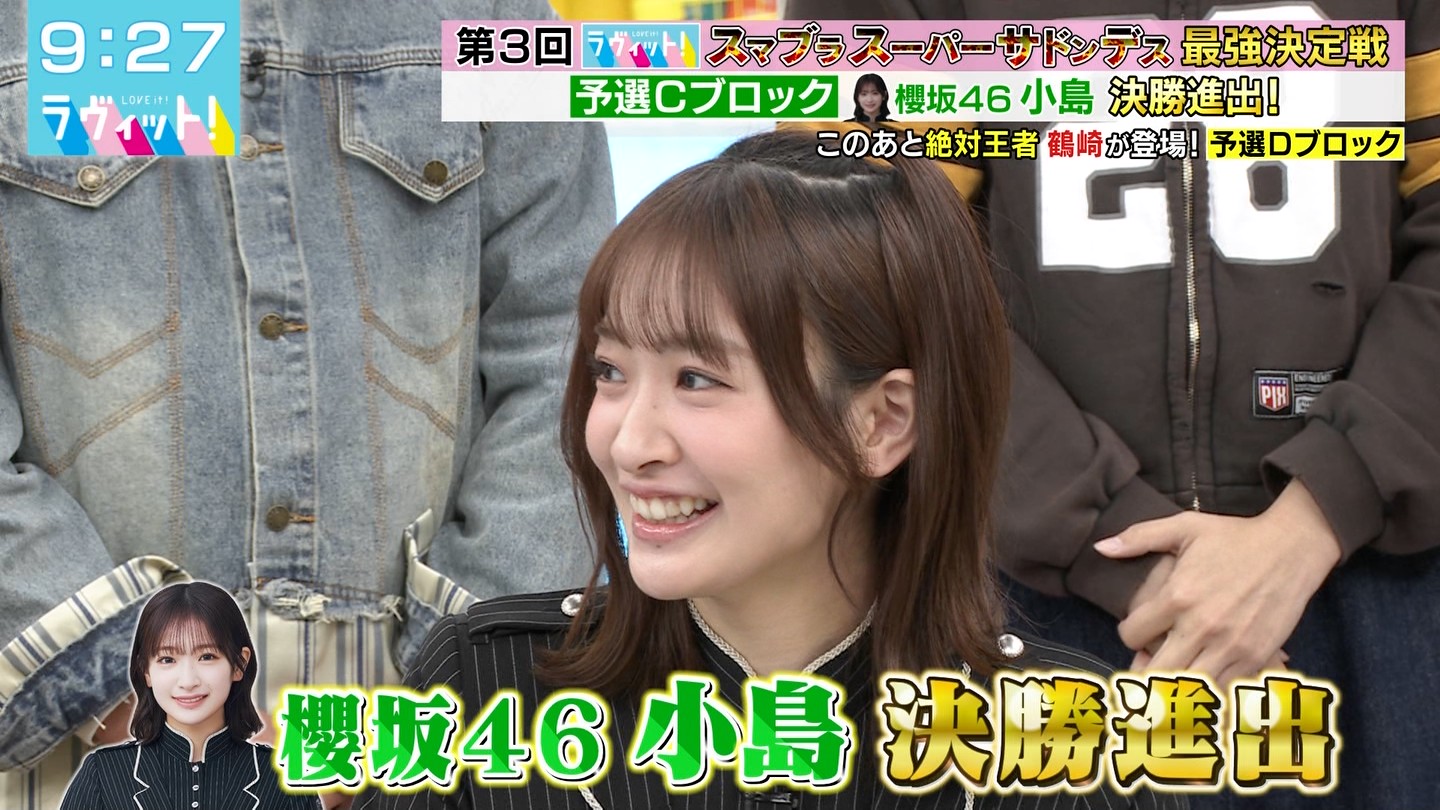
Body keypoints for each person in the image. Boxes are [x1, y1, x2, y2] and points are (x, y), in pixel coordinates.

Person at [355, 129, 1185, 809]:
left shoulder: (1077, 749)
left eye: (697, 380)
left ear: (883, 421)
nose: (630, 443)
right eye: (610, 371)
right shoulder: (484, 692)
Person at [788, 2, 1440, 807]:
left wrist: (1320, 514)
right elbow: (852, 249)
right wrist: (1126, 553)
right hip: (1023, 589)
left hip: (1381, 585)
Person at [0, 1, 615, 808]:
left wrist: (434, 709)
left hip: (429, 737)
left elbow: (568, 355)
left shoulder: (497, 19)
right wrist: (144, 713)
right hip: (92, 750)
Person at [57, 582, 321, 810]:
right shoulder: (103, 773)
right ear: (145, 670)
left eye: (207, 656)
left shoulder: (283, 777)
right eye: (167, 659)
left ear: (239, 664)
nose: (188, 681)